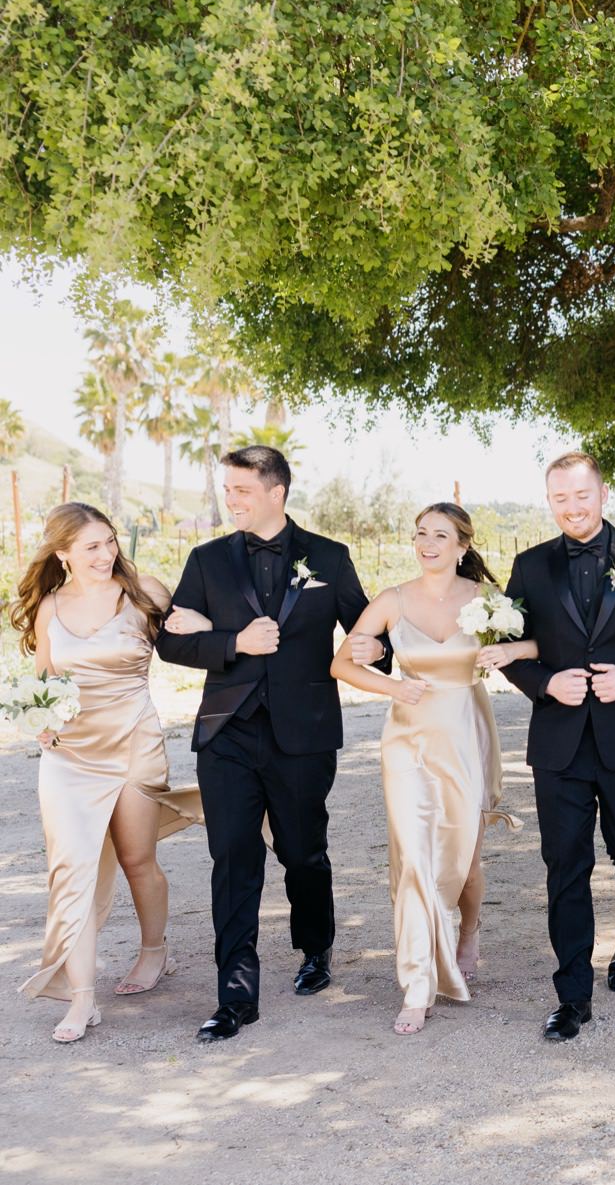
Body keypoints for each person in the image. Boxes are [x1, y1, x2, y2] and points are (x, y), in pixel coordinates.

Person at [157, 446, 387, 1042]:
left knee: (302, 851)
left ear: (276, 491)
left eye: (241, 490)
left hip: (304, 734)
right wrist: (235, 642)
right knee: (233, 858)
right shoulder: (206, 560)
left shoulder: (329, 558)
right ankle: (236, 995)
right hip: (227, 732)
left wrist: (378, 650)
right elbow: (172, 643)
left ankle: (316, 948)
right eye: (226, 490)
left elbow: (368, 627)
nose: (229, 500)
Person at [497, 452, 615, 1043]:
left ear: (603, 494)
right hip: (559, 742)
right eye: (560, 499)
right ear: (549, 501)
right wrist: (544, 683)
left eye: (581, 496)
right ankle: (573, 994)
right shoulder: (528, 566)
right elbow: (507, 647)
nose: (572, 509)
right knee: (565, 867)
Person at [10, 503, 203, 1041]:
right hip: (69, 756)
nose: (105, 554)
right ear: (63, 552)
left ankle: (153, 951)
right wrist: (39, 723)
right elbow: (42, 680)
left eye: (110, 542)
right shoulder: (50, 607)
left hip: (133, 745)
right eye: (91, 546)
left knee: (138, 859)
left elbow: (197, 636)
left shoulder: (145, 592)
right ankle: (80, 1000)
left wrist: (204, 623)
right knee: (71, 873)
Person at [330, 503, 520, 1035]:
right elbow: (342, 662)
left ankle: (468, 931)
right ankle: (418, 982)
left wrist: (511, 651)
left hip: (466, 732)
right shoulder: (392, 599)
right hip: (407, 738)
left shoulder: (487, 602)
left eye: (441, 535)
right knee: (414, 858)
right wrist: (392, 684)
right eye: (421, 534)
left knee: (466, 860)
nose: (428, 543)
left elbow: (535, 646)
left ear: (463, 545)